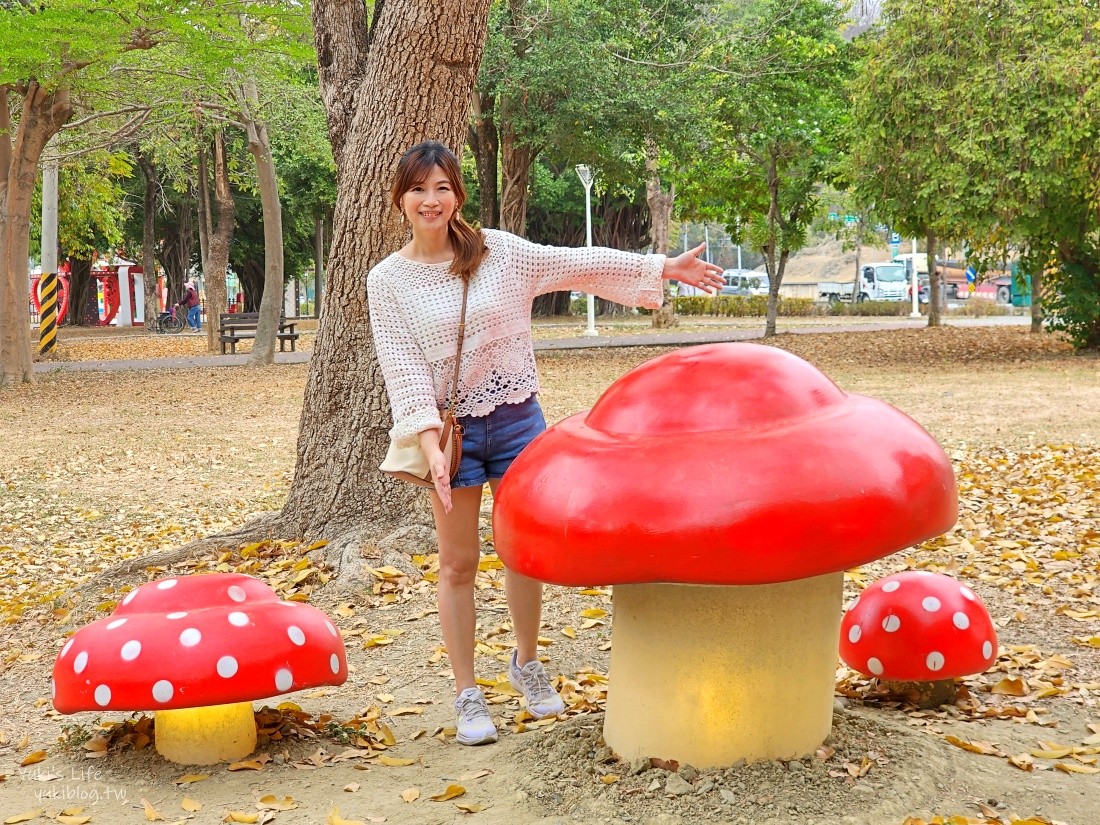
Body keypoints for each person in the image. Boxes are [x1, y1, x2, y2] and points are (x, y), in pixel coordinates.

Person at [366, 140, 724, 746]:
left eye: (443, 188)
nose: (431, 200)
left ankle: (527, 665)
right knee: (457, 562)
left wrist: (662, 268)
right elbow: (401, 367)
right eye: (419, 189)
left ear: (457, 195)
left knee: (519, 550)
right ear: (400, 197)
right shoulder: (388, 281)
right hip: (449, 436)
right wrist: (427, 443)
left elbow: (579, 263)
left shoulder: (500, 254)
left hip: (515, 421)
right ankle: (466, 692)